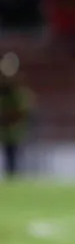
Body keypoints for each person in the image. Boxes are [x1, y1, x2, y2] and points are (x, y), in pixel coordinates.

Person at [0, 52, 33, 180]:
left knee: (12, 154)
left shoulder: (17, 91)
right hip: (8, 130)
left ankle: (13, 175)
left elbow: (22, 110)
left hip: (14, 131)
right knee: (10, 154)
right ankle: (11, 175)